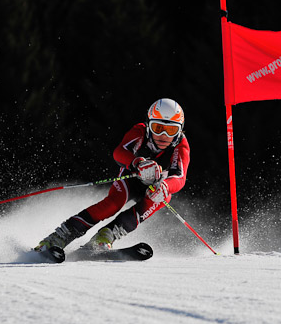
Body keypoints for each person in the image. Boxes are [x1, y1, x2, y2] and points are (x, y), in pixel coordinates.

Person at [34, 98, 190, 253]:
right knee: (113, 204)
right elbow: (119, 152)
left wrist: (165, 186)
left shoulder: (181, 146)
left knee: (164, 197)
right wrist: (138, 162)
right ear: (149, 125)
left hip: (155, 187)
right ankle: (58, 237)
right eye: (157, 128)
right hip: (130, 178)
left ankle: (105, 237)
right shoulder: (140, 131)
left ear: (179, 130)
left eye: (171, 131)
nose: (163, 135)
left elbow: (180, 177)